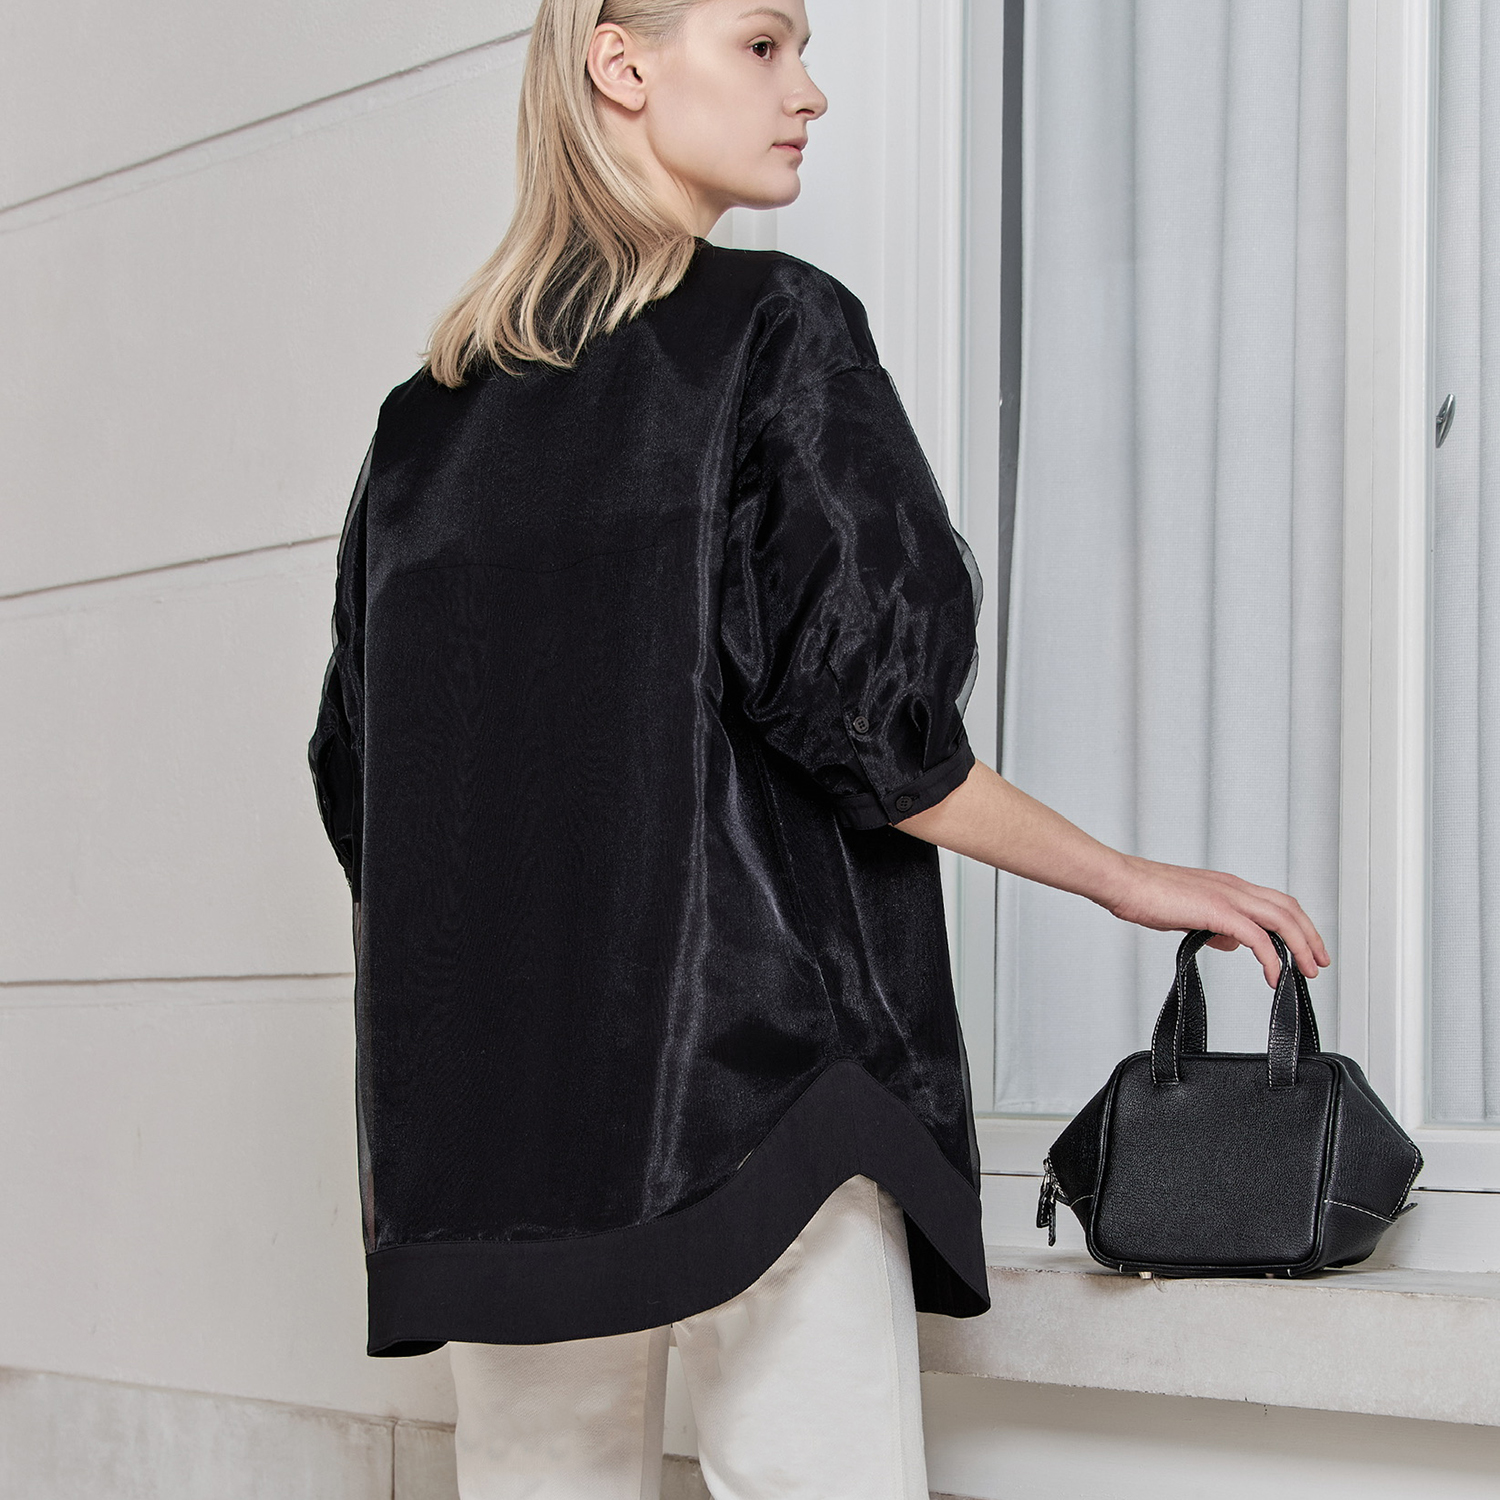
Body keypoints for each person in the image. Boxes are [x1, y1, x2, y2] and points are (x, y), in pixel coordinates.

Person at [308, 2, 1330, 1496]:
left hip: (492, 1130)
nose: (812, 92)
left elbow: (368, 785)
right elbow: (874, 731)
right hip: (752, 1078)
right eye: (764, 44)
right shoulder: (774, 333)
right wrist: (1128, 879)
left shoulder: (421, 430)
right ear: (621, 62)